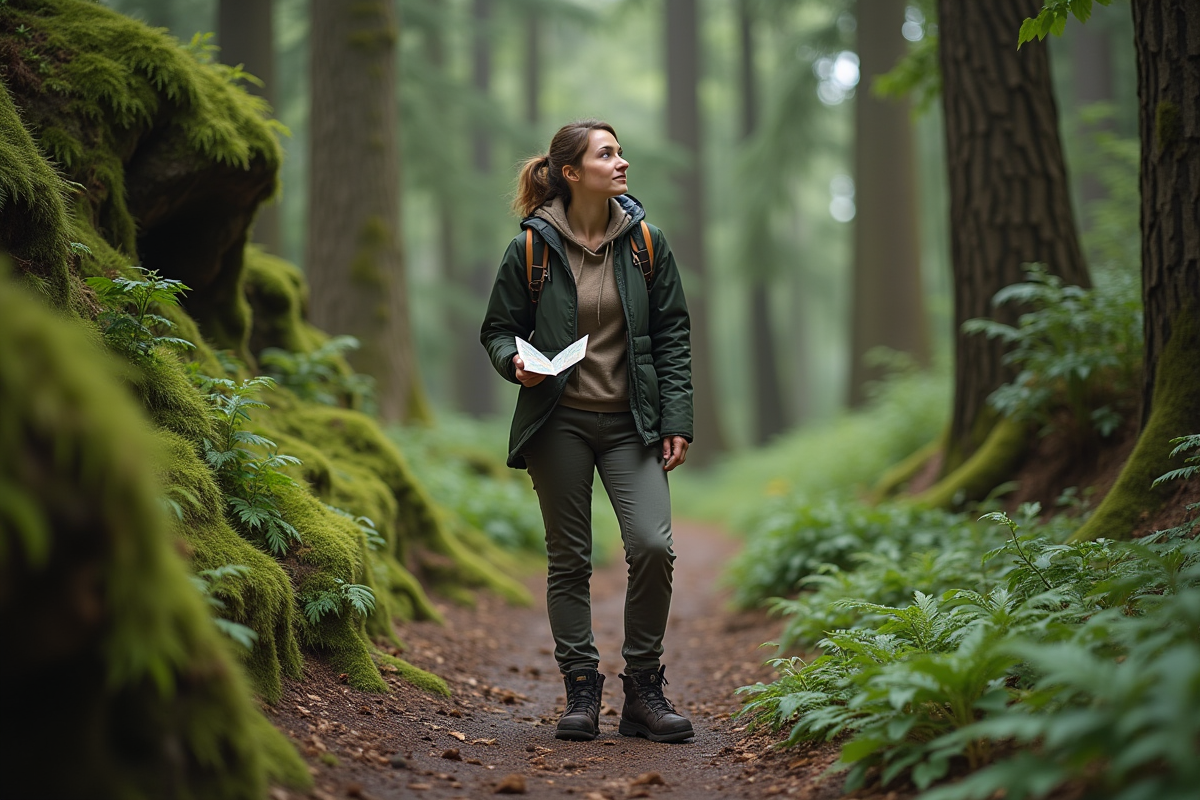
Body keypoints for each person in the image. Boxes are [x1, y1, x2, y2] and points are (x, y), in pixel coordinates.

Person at [480, 119, 694, 743]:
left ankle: (644, 691)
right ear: (571, 174)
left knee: (653, 547)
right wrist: (512, 362)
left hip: (633, 423)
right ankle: (579, 690)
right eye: (607, 154)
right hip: (558, 422)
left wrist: (676, 419)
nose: (621, 162)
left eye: (621, 151)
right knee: (569, 560)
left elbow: (674, 334)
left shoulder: (646, 244)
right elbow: (496, 329)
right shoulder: (531, 249)